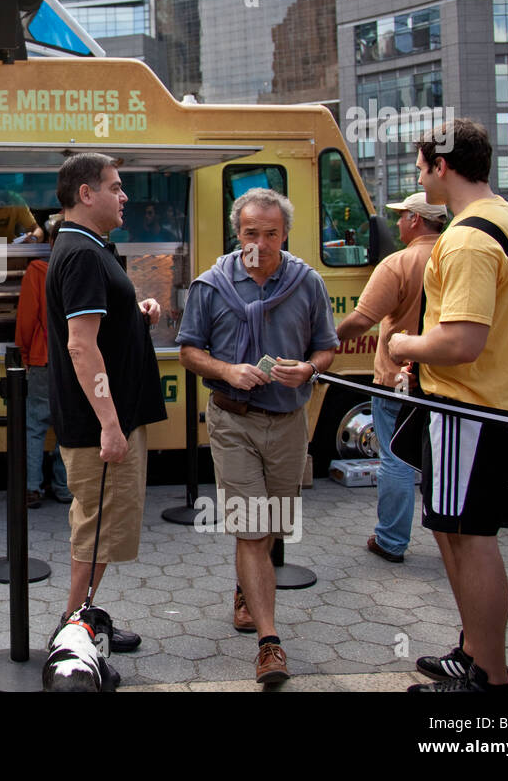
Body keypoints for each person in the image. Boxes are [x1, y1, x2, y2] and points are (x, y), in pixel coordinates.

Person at [387, 119, 508, 692]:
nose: (418, 176)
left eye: (422, 165)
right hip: (492, 405)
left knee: (469, 538)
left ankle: (489, 680)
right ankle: (475, 653)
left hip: (465, 410)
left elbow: (462, 341)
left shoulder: (470, 235)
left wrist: (402, 343)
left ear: (442, 166)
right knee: (461, 533)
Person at [177, 188, 338, 684]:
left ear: (285, 233)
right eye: (251, 233)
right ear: (237, 233)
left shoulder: (307, 283)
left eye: (271, 234)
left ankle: (248, 589)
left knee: (272, 525)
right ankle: (270, 644)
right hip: (233, 421)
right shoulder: (212, 285)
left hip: (289, 422)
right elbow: (189, 351)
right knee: (250, 526)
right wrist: (227, 370)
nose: (261, 244)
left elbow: (327, 348)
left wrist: (308, 368)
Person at [46, 153, 166, 663]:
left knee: (101, 533)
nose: (124, 197)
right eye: (115, 188)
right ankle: (70, 636)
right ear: (85, 194)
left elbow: (97, 329)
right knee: (94, 535)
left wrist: (134, 315)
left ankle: (86, 618)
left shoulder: (91, 248)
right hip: (100, 427)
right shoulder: (82, 254)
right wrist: (111, 426)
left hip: (109, 420)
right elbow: (80, 346)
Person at [335, 192, 448, 562]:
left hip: (399, 381)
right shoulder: (456, 256)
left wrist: (324, 340)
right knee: (440, 461)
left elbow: (362, 320)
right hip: (449, 382)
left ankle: (391, 540)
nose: (397, 222)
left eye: (401, 216)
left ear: (416, 219)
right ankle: (452, 539)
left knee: (396, 460)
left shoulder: (399, 263)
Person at [15, 218, 70, 508]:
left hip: (42, 357)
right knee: (67, 426)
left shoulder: (36, 272)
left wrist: (24, 354)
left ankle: (31, 488)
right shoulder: (81, 270)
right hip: (74, 361)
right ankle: (63, 486)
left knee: (35, 424)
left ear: (50, 243)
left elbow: (26, 319)